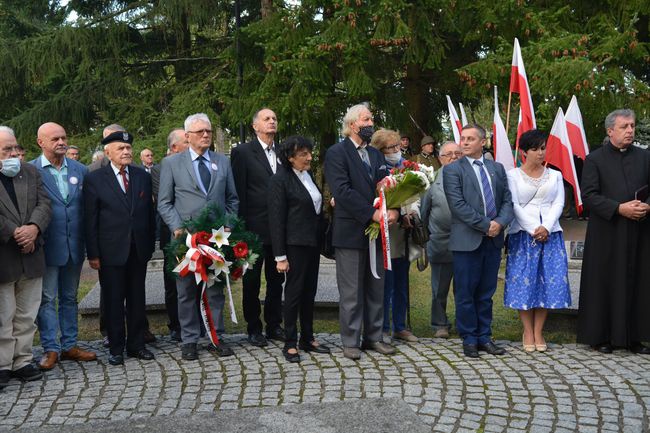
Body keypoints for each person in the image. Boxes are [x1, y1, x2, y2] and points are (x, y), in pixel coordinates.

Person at [158, 113, 239, 360]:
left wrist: (227, 228)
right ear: (187, 136)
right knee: (185, 291)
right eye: (200, 132)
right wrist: (177, 227)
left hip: (216, 239)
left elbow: (232, 199)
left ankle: (216, 337)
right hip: (186, 240)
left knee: (214, 290)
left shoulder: (222, 162)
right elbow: (164, 202)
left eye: (209, 131)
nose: (206, 135)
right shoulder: (172, 164)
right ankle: (189, 340)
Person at [324, 104, 399, 360]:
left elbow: (387, 188)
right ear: (353, 124)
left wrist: (393, 210)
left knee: (376, 287)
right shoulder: (337, 153)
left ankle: (374, 336)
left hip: (377, 234)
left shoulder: (376, 156)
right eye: (366, 119)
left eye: (371, 119)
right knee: (352, 291)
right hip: (350, 233)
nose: (371, 123)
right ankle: (350, 340)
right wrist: (372, 213)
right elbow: (342, 192)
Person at [577, 109, 650, 355]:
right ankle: (602, 336)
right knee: (606, 281)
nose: (630, 130)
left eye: (632, 125)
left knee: (639, 280)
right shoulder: (594, 159)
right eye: (624, 126)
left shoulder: (644, 156)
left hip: (640, 231)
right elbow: (588, 196)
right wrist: (619, 208)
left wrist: (646, 205)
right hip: (608, 232)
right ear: (610, 131)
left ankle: (636, 337)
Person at [84, 130, 156, 366]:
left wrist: (150, 244)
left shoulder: (141, 176)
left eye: (128, 148)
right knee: (114, 300)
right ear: (108, 152)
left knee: (137, 298)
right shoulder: (95, 178)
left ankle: (136, 345)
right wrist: (93, 253)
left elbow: (148, 214)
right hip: (110, 251)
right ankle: (116, 347)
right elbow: (90, 219)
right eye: (120, 149)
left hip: (138, 249)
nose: (126, 152)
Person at [443, 123, 514, 358]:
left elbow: (507, 201)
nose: (463, 143)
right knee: (465, 292)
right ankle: (469, 339)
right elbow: (458, 206)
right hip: (467, 241)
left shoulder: (497, 169)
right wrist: (487, 225)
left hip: (492, 241)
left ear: (482, 142)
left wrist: (500, 223)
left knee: (486, 292)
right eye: (462, 138)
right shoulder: (453, 170)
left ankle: (485, 337)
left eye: (470, 139)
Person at [32, 122, 96, 371]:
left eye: (64, 137)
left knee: (69, 297)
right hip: (47, 247)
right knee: (47, 298)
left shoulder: (81, 170)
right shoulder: (32, 171)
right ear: (41, 143)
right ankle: (51, 348)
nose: (61, 142)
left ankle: (70, 345)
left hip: (74, 246)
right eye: (55, 139)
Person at [504, 129, 571, 353]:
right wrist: (534, 228)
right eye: (535, 149)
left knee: (547, 282)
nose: (540, 153)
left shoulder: (555, 176)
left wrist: (546, 227)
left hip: (551, 234)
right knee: (525, 282)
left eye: (543, 148)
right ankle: (527, 331)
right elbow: (513, 205)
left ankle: (539, 330)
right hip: (523, 235)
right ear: (524, 152)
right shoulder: (512, 175)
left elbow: (558, 203)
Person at [268, 136, 331, 363]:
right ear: (289, 157)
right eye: (303, 154)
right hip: (293, 245)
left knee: (309, 291)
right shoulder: (280, 180)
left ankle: (307, 337)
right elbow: (276, 221)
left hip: (311, 243)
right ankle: (290, 343)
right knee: (294, 293)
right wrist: (280, 256)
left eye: (309, 152)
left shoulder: (307, 175)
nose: (309, 157)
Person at [0, 126, 51, 388]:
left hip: (31, 253)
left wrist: (33, 228)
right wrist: (15, 233)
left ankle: (22, 360)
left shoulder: (30, 171)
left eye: (15, 147)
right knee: (3, 314)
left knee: (26, 314)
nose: (13, 153)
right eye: (6, 149)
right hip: (4, 256)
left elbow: (45, 204)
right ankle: (2, 364)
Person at [231, 108, 285, 347]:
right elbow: (238, 192)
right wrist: (239, 230)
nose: (272, 121)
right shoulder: (242, 152)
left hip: (279, 230)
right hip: (252, 229)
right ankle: (254, 327)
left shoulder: (283, 152)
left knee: (277, 280)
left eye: (274, 118)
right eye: (267, 119)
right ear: (255, 126)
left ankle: (274, 324)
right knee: (251, 281)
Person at [370, 129, 419, 343]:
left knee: (401, 281)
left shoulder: (406, 167)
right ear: (380, 150)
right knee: (385, 283)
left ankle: (400, 325)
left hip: (402, 233)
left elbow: (416, 194)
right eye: (391, 148)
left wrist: (411, 212)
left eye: (398, 146)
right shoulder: (375, 168)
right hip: (382, 231)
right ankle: (383, 327)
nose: (396, 151)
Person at [420, 141, 462, 339]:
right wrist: (427, 239)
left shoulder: (468, 178)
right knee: (439, 289)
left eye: (457, 154)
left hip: (465, 243)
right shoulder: (431, 181)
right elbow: (424, 213)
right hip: (440, 243)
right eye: (448, 154)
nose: (453, 157)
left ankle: (465, 323)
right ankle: (439, 324)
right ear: (440, 158)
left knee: (464, 288)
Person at [151, 128, 188, 342]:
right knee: (174, 278)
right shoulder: (161, 168)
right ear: (174, 147)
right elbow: (165, 201)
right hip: (173, 231)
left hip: (197, 230)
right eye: (186, 140)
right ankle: (176, 324)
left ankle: (197, 320)